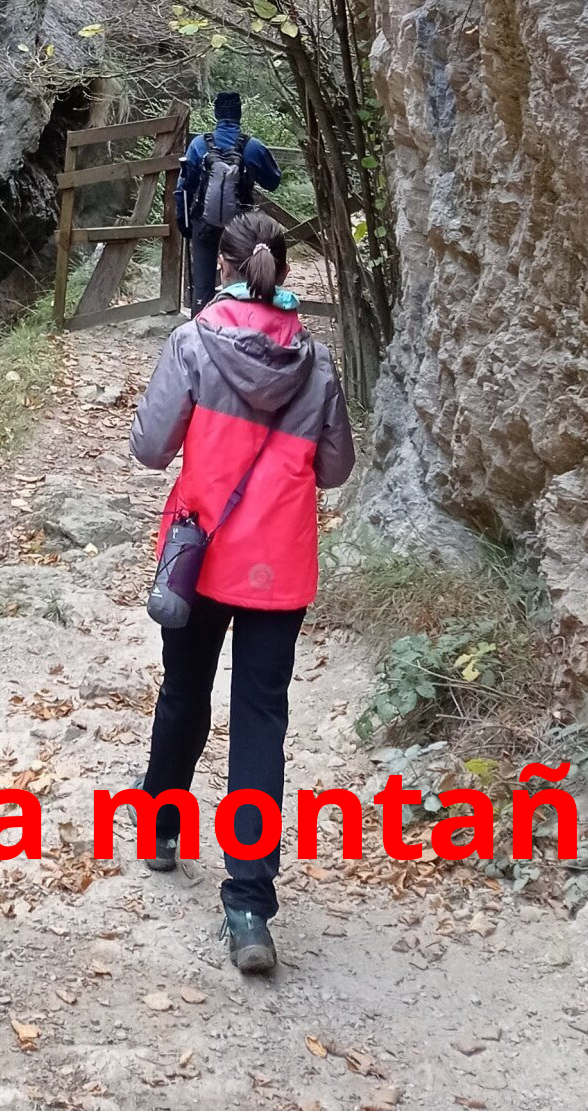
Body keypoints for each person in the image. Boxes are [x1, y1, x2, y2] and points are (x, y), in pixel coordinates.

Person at [129, 209, 355, 976]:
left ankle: (162, 827)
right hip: (279, 568)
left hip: (201, 557)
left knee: (184, 692)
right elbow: (335, 470)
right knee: (261, 720)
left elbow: (150, 447)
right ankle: (250, 904)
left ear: (220, 266)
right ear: (281, 271)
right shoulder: (316, 362)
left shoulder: (193, 342)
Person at [175, 92, 282, 314]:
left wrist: (184, 222)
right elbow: (273, 182)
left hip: (204, 225)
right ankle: (241, 326)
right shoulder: (253, 147)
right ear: (239, 114)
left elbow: (183, 187)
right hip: (240, 228)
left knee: (202, 287)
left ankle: (201, 330)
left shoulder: (198, 145)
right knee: (241, 283)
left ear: (216, 114)